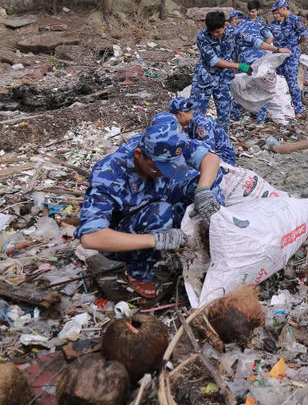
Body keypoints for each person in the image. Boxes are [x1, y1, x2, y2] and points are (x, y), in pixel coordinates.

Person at [75, 113, 226, 299]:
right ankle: (136, 272)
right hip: (125, 232)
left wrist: (203, 191)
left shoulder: (167, 143)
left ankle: (212, 247)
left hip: (161, 195)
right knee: (160, 213)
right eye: (160, 169)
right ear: (139, 156)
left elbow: (210, 158)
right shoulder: (108, 175)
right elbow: (90, 237)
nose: (166, 173)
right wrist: (156, 240)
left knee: (208, 182)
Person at [232, 1, 291, 123]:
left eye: (254, 11)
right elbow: (267, 39)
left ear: (258, 11)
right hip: (250, 60)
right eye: (250, 12)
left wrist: (265, 48)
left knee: (249, 86)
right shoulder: (244, 26)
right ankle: (257, 118)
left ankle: (244, 116)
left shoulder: (255, 25)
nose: (252, 14)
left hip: (253, 60)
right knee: (252, 86)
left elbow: (269, 38)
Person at [191, 10, 249, 131]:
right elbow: (214, 61)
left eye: (217, 31)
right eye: (212, 32)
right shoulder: (203, 36)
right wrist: (238, 66)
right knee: (196, 114)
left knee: (224, 114)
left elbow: (252, 41)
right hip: (205, 78)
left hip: (224, 80)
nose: (214, 35)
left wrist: (277, 49)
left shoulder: (232, 32)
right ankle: (195, 142)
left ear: (224, 26)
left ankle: (221, 141)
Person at [268, 0, 308, 117]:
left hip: (291, 55)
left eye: (278, 10)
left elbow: (304, 35)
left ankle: (298, 109)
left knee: (291, 81)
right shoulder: (274, 24)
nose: (277, 13)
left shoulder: (295, 19)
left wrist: (295, 45)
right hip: (278, 55)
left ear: (284, 8)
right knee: (279, 80)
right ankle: (283, 106)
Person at [169, 97, 236, 165]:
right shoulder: (193, 121)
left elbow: (207, 150)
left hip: (223, 159)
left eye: (175, 117)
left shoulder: (202, 123)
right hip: (213, 156)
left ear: (181, 114)